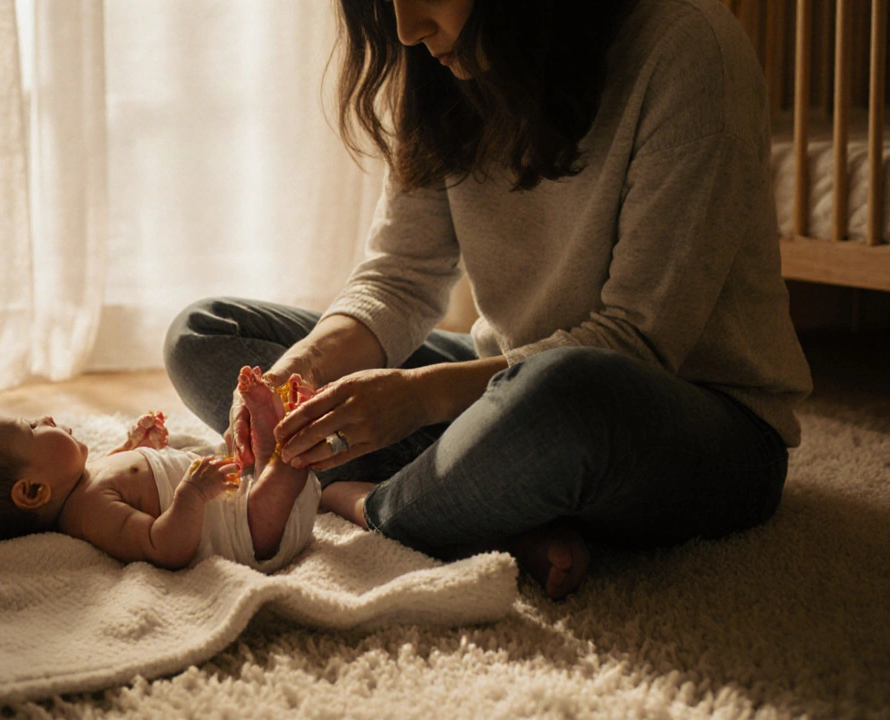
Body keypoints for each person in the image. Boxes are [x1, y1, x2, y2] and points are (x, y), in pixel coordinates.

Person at [164, 0, 812, 599]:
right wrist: (301, 370)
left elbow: (638, 340)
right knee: (205, 332)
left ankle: (371, 506)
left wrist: (419, 398)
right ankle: (489, 507)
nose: (404, 29)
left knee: (562, 397)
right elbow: (398, 279)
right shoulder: (439, 65)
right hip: (501, 386)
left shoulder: (689, 45)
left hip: (686, 420)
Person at [0, 367, 322, 573]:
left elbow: (123, 475)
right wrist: (191, 495)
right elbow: (162, 547)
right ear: (32, 492)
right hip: (256, 534)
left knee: (255, 459)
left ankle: (274, 440)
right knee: (282, 472)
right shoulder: (90, 513)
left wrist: (135, 446)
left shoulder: (81, 483)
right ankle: (290, 446)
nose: (44, 417)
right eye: (31, 427)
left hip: (241, 493)